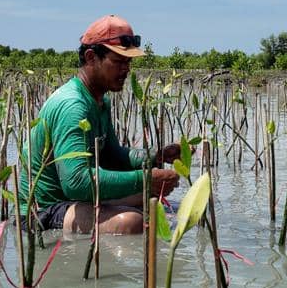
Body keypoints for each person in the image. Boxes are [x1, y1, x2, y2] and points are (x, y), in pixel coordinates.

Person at [20, 15, 181, 235]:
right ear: (91, 57)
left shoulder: (100, 100)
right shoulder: (72, 106)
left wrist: (157, 155)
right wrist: (145, 179)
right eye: (118, 62)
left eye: (128, 62)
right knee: (130, 222)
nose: (126, 70)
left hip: (75, 200)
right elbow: (76, 181)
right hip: (44, 209)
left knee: (153, 201)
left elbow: (113, 156)